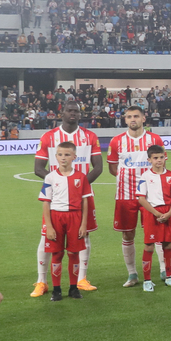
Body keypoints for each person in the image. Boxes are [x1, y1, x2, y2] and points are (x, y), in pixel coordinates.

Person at [32, 101, 101, 297]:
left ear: (80, 114)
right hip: (57, 199)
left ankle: (81, 279)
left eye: (76, 111)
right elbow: (38, 168)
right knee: (47, 236)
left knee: (83, 235)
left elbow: (98, 167)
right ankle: (42, 281)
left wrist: (78, 187)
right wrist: (61, 184)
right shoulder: (48, 137)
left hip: (82, 196)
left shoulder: (90, 136)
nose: (73, 113)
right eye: (69, 110)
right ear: (62, 113)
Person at [107, 104, 164, 288]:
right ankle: (132, 274)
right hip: (126, 194)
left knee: (157, 232)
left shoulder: (154, 139)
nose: (133, 119)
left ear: (143, 118)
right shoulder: (116, 141)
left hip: (151, 194)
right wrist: (126, 179)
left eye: (136, 116)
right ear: (125, 119)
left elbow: (161, 165)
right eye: (129, 116)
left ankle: (165, 271)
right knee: (128, 233)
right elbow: (113, 168)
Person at [39, 142, 92, 301]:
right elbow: (46, 202)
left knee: (74, 253)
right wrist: (49, 226)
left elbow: (85, 201)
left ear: (74, 157)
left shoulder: (81, 177)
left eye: (67, 155)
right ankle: (56, 290)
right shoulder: (50, 177)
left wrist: (84, 224)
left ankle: (73, 288)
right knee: (57, 253)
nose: (63, 158)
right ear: (55, 157)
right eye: (60, 155)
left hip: (75, 218)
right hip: (56, 217)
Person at [136, 144, 171, 291]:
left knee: (167, 244)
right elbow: (141, 199)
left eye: (161, 157)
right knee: (149, 245)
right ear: (149, 160)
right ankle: (147, 280)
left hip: (167, 213)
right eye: (155, 158)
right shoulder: (145, 176)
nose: (159, 160)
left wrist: (169, 213)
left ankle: (169, 277)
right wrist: (156, 214)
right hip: (152, 214)